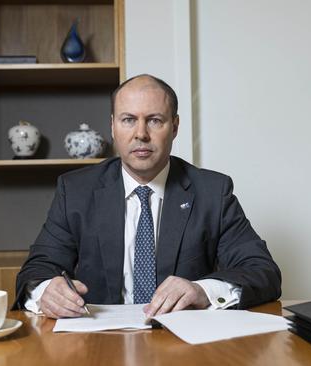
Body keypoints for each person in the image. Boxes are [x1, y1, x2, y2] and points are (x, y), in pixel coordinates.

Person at [14, 74, 281, 319]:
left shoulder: (213, 192)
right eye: (128, 119)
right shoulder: (75, 191)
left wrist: (202, 291)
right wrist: (46, 291)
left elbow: (262, 271)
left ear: (174, 127)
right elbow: (37, 270)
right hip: (98, 342)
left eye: (154, 120)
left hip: (185, 344)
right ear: (112, 127)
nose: (141, 134)